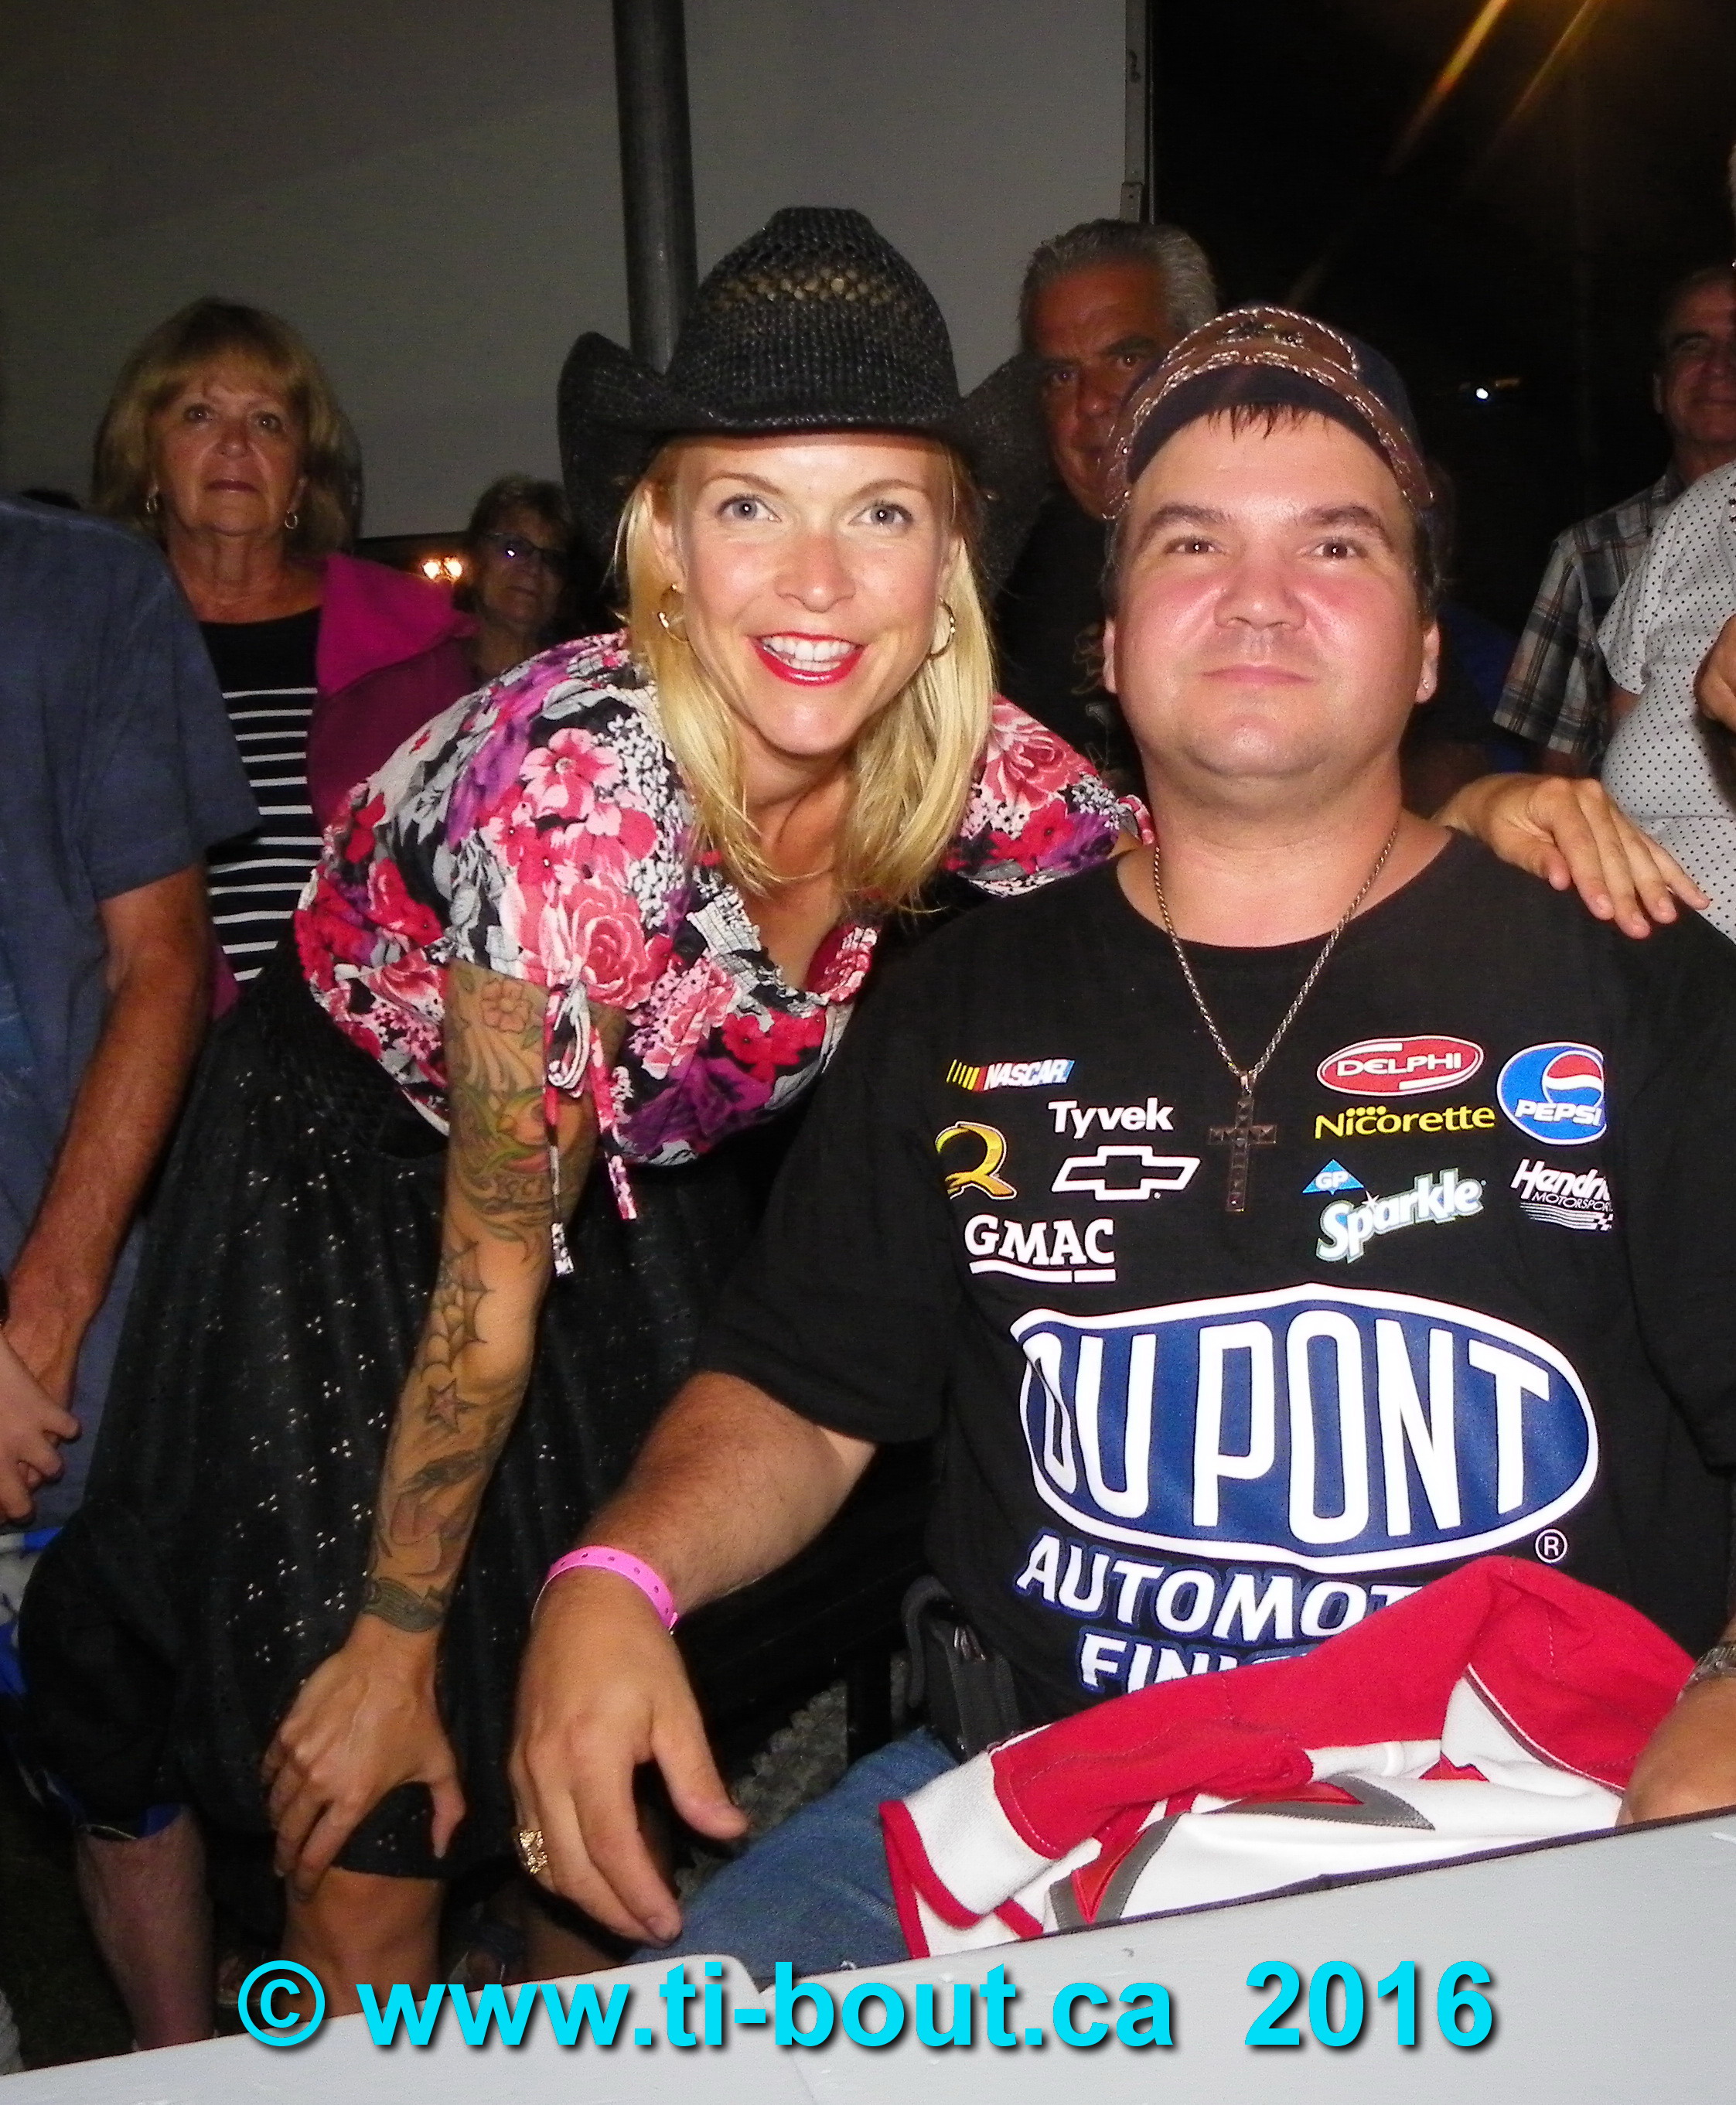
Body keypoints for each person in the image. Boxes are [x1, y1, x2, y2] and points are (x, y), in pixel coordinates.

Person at [22, 215, 1682, 2038]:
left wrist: (1488, 809)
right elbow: (489, 1293)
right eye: (750, 505)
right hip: (366, 1188)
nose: (815, 578)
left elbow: (1235, 815)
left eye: (879, 511)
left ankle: (574, 2016)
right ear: (664, 546)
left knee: (616, 1722)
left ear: (948, 560)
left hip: (628, 1186)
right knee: (371, 1770)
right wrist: (399, 1641)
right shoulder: (573, 797)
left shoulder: (967, 758)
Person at [504, 308, 1736, 1984]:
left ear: (1425, 648)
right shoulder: (962, 999)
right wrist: (614, 1572)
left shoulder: (1633, 983)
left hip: (1520, 1801)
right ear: (1108, 636)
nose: (1259, 594)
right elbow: (801, 1388)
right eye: (1190, 543)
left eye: (1337, 544)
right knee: (677, 2055)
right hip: (1030, 1798)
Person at [0, 493, 255, 2043]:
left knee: (117, 1755)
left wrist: (35, 1331)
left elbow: (162, 960)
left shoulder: (82, 588)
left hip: (61, 1354)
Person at [92, 299, 476, 988]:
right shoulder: (90, 642)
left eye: (267, 421)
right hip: (150, 1032)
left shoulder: (409, 641)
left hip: (368, 1036)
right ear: (148, 462)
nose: (235, 444)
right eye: (199, 414)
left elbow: (473, 877)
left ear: (299, 480)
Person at [992, 219, 1218, 770]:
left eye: (1124, 360)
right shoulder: (996, 582)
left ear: (1201, 364)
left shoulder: (1289, 559)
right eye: (1061, 377)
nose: (1090, 402)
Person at [1496, 264, 1736, 776]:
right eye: (1692, 345)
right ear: (1659, 389)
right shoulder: (1589, 555)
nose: (1720, 366)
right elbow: (1555, 773)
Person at [459, 475, 578, 682]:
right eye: (514, 547)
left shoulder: (577, 679)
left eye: (552, 559)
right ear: (472, 560)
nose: (534, 568)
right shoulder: (428, 674)